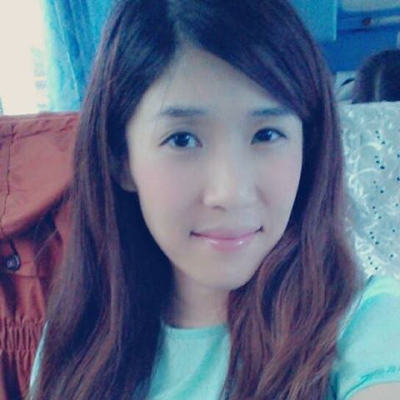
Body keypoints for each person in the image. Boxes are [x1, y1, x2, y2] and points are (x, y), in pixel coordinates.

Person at [29, 0, 400, 399]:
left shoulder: (366, 323)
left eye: (266, 134)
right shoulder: (76, 344)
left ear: (307, 146)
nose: (231, 193)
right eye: (182, 139)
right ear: (122, 159)